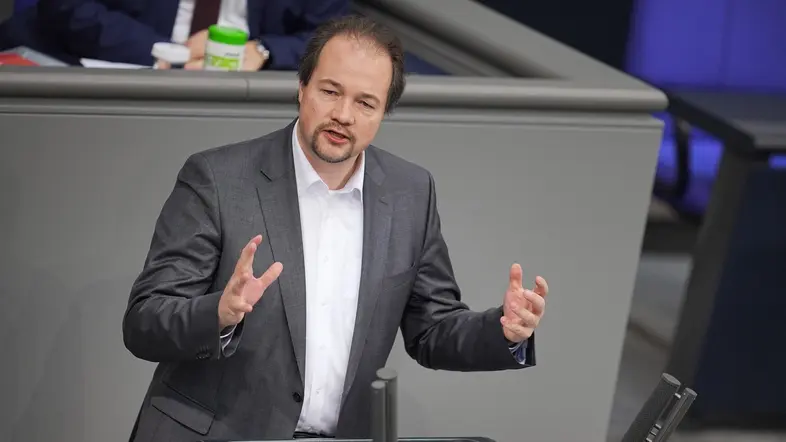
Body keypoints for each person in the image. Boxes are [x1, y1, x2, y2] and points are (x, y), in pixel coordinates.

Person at [122, 14, 549, 442]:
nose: (343, 115)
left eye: (365, 103)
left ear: (383, 113)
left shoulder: (410, 193)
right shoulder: (217, 178)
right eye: (330, 91)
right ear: (302, 87)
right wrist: (219, 312)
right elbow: (144, 322)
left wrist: (503, 331)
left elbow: (432, 329)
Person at [0, 0, 347, 68]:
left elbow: (334, 32)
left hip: (245, 81)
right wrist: (165, 53)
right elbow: (66, 7)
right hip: (121, 61)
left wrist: (265, 51)